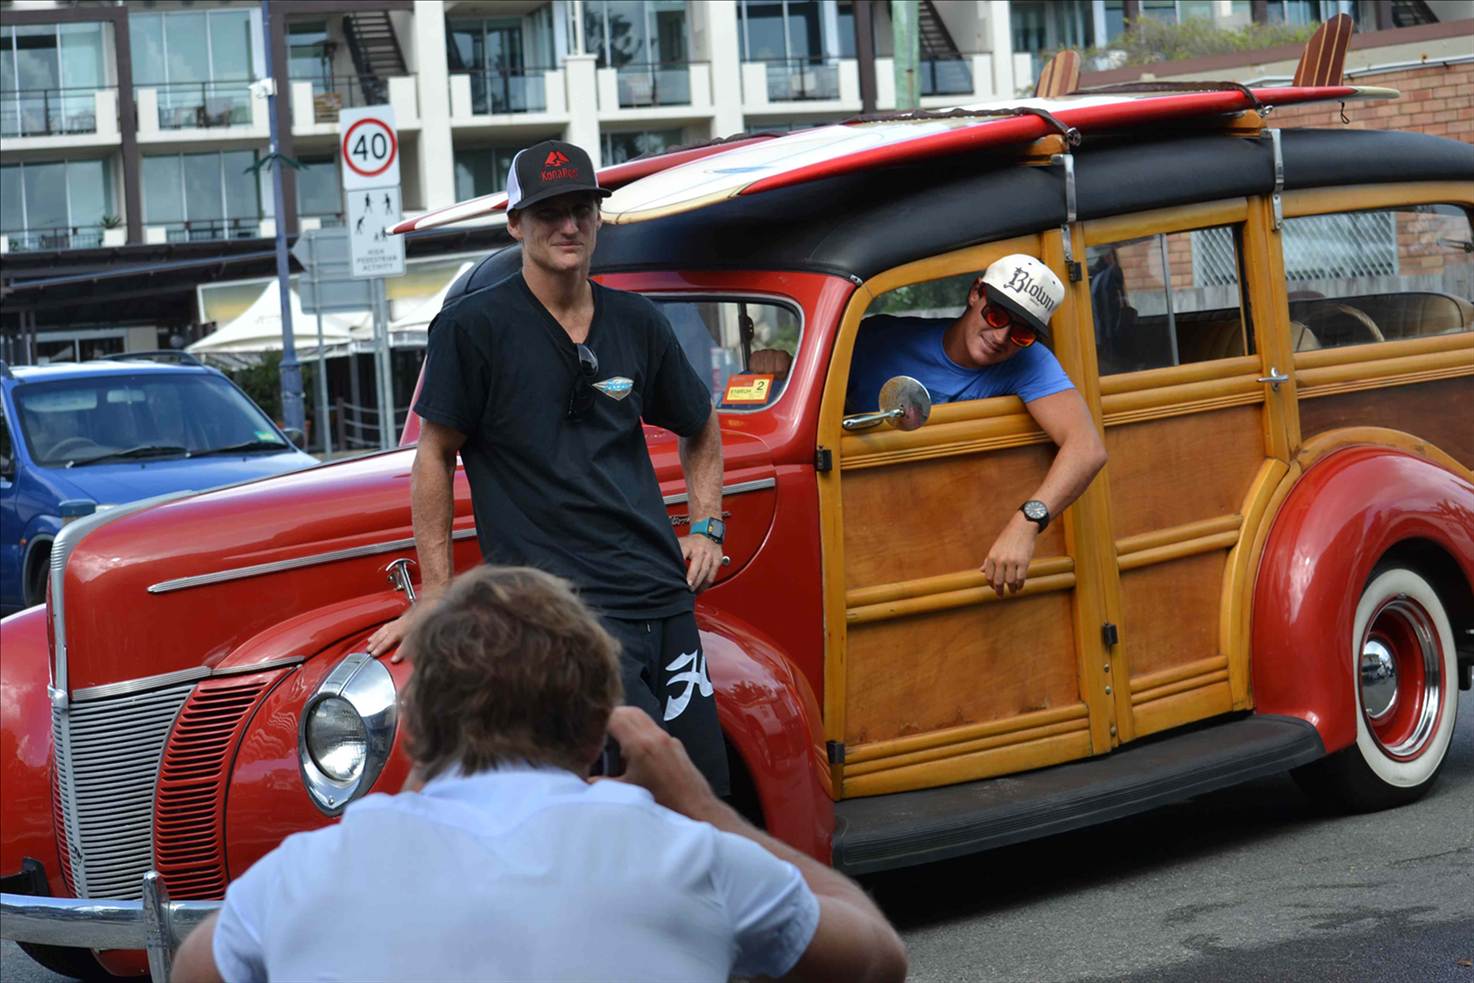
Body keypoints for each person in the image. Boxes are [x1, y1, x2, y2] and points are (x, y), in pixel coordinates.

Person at [172, 565, 908, 983]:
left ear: (417, 727)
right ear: (598, 731)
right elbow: (879, 955)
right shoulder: (692, 856)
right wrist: (701, 804)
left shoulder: (298, 878)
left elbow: (193, 971)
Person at [365, 139, 730, 793]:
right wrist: (440, 591)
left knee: (697, 794)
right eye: (548, 212)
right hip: (561, 617)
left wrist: (707, 526)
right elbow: (434, 455)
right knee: (614, 800)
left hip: (663, 597)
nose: (568, 226)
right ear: (515, 224)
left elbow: (700, 425)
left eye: (581, 209)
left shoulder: (637, 321)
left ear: (597, 218)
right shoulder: (472, 327)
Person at [846, 254, 1107, 597]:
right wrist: (780, 364)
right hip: (862, 527)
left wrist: (1026, 523)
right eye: (996, 315)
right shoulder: (877, 339)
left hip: (953, 534)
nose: (1001, 337)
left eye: (1022, 333)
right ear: (975, 293)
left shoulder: (1027, 362)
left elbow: (1087, 448)